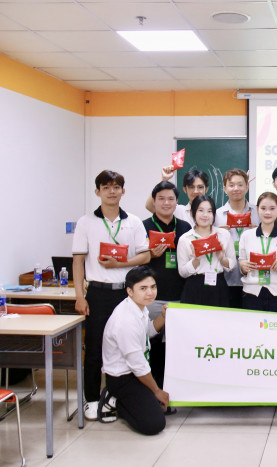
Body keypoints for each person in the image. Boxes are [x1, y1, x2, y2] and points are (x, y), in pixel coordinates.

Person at [72, 170, 150, 420]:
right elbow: (78, 261)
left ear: (123, 191)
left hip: (126, 296)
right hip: (97, 292)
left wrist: (119, 264)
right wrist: (79, 296)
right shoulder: (85, 222)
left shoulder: (134, 222)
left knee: (126, 348)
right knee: (94, 349)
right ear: (98, 192)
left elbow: (146, 255)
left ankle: (116, 395)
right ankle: (92, 399)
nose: (112, 191)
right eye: (106, 187)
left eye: (116, 187)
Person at [100, 266, 168, 435]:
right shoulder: (125, 320)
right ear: (130, 291)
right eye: (143, 288)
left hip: (138, 371)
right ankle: (113, 399)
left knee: (163, 407)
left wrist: (163, 317)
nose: (150, 293)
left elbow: (148, 332)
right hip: (123, 377)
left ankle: (139, 399)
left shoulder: (139, 307)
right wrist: (157, 391)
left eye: (153, 287)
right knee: (154, 424)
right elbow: (137, 364)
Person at [142, 181, 191, 388]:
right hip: (151, 298)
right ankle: (152, 391)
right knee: (151, 346)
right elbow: (135, 259)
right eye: (161, 199)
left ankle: (172, 390)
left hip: (179, 296)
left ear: (177, 202)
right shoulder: (143, 226)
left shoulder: (185, 227)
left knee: (176, 348)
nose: (166, 203)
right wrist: (149, 255)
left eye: (171, 199)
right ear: (153, 201)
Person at [238, 192, 277, 313]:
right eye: (263, 208)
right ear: (257, 209)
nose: (267, 212)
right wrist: (243, 266)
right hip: (252, 293)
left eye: (272, 208)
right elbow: (242, 267)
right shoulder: (246, 235)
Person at [177, 195, 237, 307]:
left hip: (218, 285)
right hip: (194, 286)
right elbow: (182, 273)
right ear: (193, 213)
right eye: (201, 210)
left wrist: (222, 259)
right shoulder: (185, 239)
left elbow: (232, 265)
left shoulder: (223, 235)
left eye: (209, 211)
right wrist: (195, 260)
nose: (205, 215)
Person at [215, 169, 260, 308]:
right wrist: (216, 233)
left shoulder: (259, 212)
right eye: (231, 185)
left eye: (240, 185)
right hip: (226, 279)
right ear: (224, 188)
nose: (236, 188)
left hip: (254, 278)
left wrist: (259, 232)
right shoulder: (216, 215)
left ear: (247, 187)